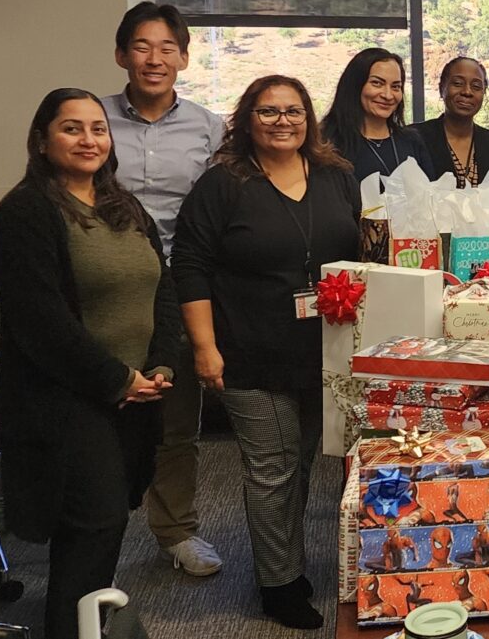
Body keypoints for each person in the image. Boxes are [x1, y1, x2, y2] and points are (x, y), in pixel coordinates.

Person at [0, 88, 179, 639]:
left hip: (132, 390)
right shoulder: (26, 213)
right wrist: (116, 380)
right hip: (64, 399)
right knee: (93, 520)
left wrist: (163, 363)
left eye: (98, 127)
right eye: (72, 128)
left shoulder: (122, 203)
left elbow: (162, 286)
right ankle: (71, 627)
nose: (89, 139)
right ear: (43, 140)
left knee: (105, 520)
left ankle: (85, 619)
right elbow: (41, 323)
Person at [172, 76, 361, 629]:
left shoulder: (335, 177)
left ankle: (288, 563)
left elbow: (357, 252)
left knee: (298, 465)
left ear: (310, 119)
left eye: (294, 111)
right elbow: (189, 266)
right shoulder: (223, 184)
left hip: (319, 351)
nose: (283, 121)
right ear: (246, 119)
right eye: (269, 111)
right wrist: (205, 348)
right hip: (247, 350)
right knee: (271, 469)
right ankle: (277, 586)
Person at [100, 1, 225, 578]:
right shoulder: (93, 119)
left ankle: (176, 531)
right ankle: (92, 533)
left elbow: (217, 211)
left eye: (167, 48)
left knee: (177, 420)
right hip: (105, 286)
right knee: (102, 414)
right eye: (143, 47)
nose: (155, 59)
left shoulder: (206, 125)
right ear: (122, 54)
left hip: (176, 287)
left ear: (184, 56)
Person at [320, 47, 433, 182]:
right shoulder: (327, 143)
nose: (388, 95)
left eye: (396, 86)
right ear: (355, 85)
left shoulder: (412, 141)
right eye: (377, 83)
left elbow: (430, 194)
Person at [416, 56, 489, 187]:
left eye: (476, 86)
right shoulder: (415, 139)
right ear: (442, 88)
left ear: (484, 93)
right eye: (458, 83)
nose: (467, 92)